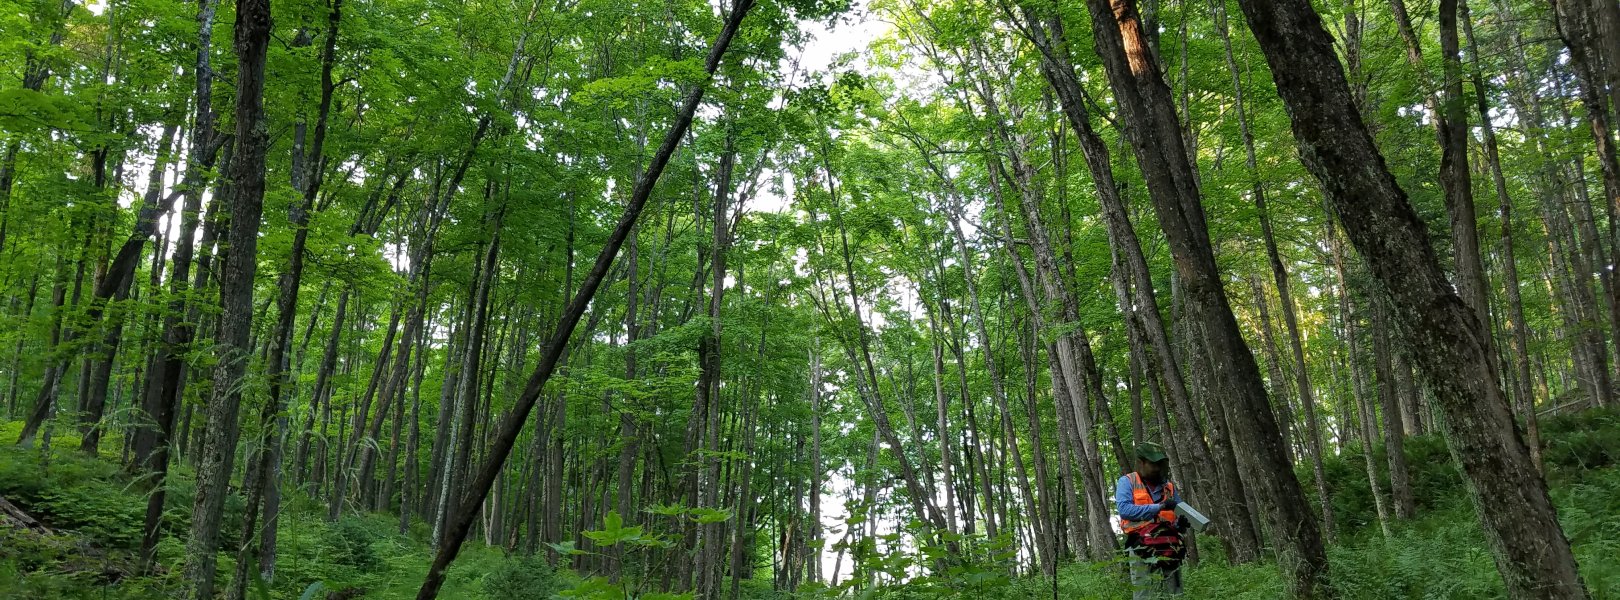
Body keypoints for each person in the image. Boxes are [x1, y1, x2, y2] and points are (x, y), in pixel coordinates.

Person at [1116, 442, 1189, 599]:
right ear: (1141, 463)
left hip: (1169, 545)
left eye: (1160, 464)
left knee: (1175, 593)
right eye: (1153, 464)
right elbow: (1125, 510)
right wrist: (1159, 507)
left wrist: (1180, 524)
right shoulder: (1127, 482)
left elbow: (1177, 514)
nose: (1157, 468)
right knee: (1143, 593)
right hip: (1140, 546)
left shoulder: (1168, 487)